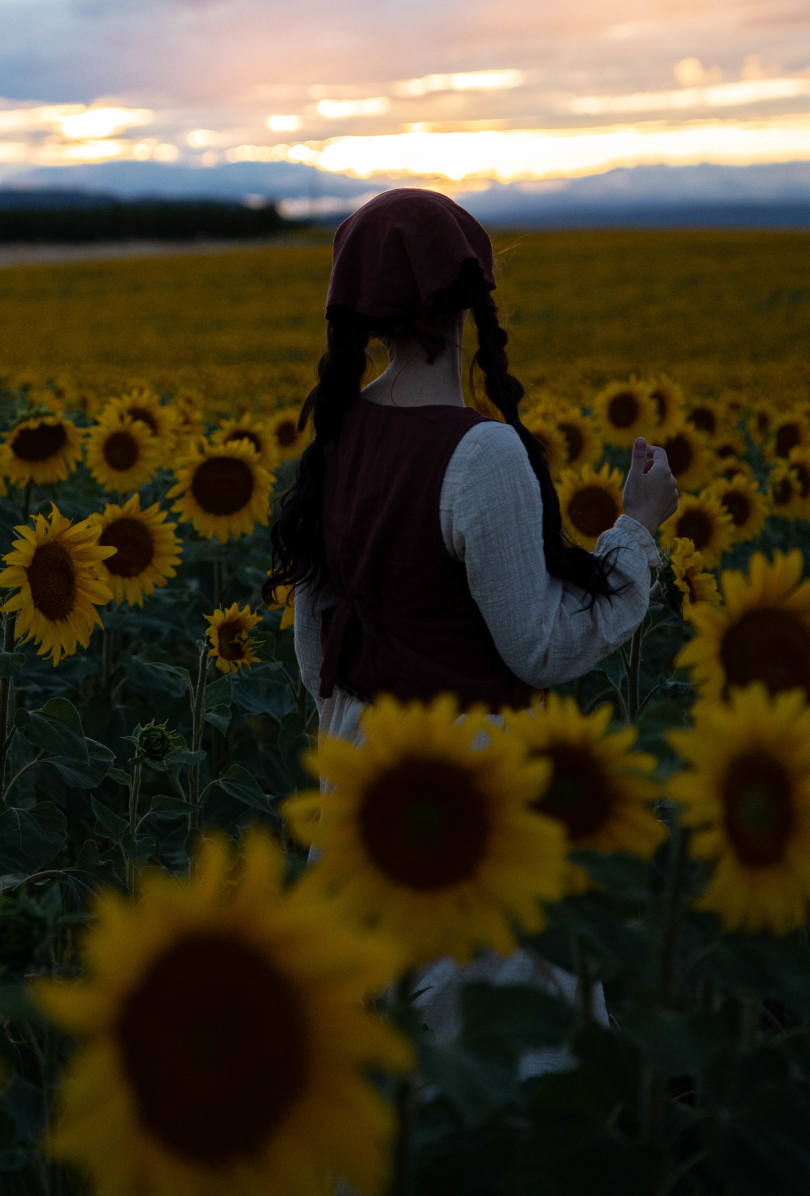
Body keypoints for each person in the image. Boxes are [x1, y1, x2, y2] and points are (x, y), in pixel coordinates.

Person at [265, 185, 677, 1044]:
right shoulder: (477, 449)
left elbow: (313, 646)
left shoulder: (336, 434)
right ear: (470, 297)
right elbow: (537, 647)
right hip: (464, 798)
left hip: (355, 785)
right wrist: (633, 532)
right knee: (494, 1061)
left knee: (377, 1049)